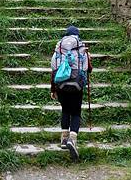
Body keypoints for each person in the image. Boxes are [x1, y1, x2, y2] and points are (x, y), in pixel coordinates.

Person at [50, 25, 92, 161]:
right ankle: (72, 140)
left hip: (61, 85)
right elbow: (88, 69)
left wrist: (53, 89)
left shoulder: (59, 48)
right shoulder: (81, 48)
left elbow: (53, 68)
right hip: (76, 85)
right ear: (77, 36)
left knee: (65, 110)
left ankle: (63, 140)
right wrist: (88, 58)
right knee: (76, 112)